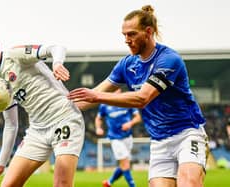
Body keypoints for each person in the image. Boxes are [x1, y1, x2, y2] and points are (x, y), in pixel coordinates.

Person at [68, 5, 209, 187]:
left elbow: (142, 98)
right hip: (159, 142)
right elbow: (96, 92)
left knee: (188, 183)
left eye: (132, 34)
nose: (127, 40)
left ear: (148, 32)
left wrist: (96, 97)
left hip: (187, 133)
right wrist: (58, 110)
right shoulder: (126, 65)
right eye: (124, 35)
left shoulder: (168, 59)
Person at [0, 28, 85, 187]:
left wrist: (57, 64)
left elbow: (56, 48)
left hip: (64, 119)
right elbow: (11, 125)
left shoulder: (15, 55)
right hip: (37, 131)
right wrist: (1, 165)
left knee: (62, 184)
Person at [95, 89, 142, 187]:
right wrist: (98, 128)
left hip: (128, 137)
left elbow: (138, 117)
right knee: (125, 164)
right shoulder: (105, 104)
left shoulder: (127, 101)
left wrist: (130, 123)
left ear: (120, 90)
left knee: (124, 165)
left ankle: (109, 182)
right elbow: (98, 118)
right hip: (115, 138)